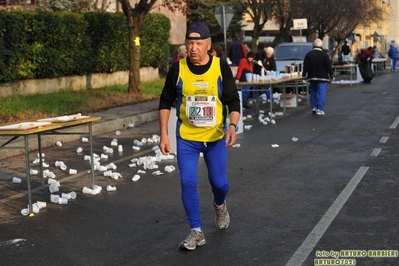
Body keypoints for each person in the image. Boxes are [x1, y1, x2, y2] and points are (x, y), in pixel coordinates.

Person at [158, 22, 240, 251]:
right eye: (189, 43)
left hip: (214, 137)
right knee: (188, 182)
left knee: (219, 183)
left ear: (208, 45)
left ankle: (220, 204)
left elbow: (233, 100)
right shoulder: (178, 68)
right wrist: (163, 134)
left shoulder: (220, 67)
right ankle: (196, 231)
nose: (193, 48)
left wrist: (232, 126)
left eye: (198, 43)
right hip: (187, 136)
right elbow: (165, 101)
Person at [302, 39, 334, 116]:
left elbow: (305, 66)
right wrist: (331, 74)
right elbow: (328, 66)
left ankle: (313, 107)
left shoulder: (309, 54)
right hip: (322, 77)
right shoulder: (324, 55)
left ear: (314, 45)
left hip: (312, 76)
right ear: (321, 46)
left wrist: (304, 75)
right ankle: (319, 108)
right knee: (321, 93)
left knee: (313, 92)